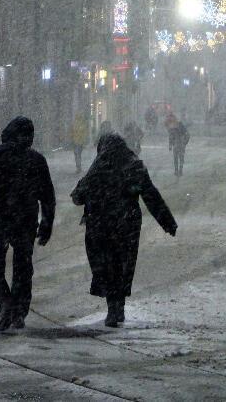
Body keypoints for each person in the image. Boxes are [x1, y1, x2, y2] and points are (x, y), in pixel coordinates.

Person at [71, 133, 177, 327]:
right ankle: (118, 307)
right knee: (122, 265)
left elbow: (78, 196)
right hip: (127, 225)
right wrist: (167, 222)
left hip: (101, 225)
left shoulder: (99, 165)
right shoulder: (134, 165)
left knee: (105, 265)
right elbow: (150, 195)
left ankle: (113, 308)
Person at [0, 116, 56, 331]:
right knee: (23, 267)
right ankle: (18, 311)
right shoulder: (36, 160)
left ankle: (5, 302)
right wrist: (47, 222)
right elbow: (47, 195)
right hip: (25, 220)